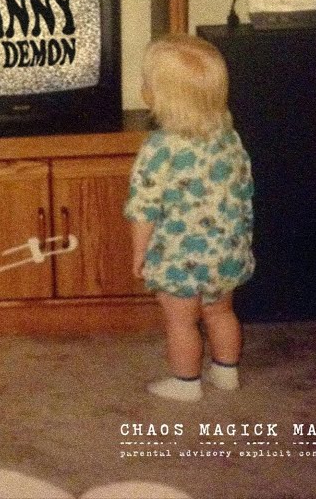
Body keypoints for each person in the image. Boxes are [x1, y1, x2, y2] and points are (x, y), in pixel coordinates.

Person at [124, 34, 256, 401]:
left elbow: (143, 207)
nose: (143, 86)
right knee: (221, 312)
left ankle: (186, 384)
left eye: (147, 81)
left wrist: (139, 253)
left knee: (181, 321)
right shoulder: (229, 138)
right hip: (226, 251)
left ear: (160, 96)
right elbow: (244, 190)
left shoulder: (159, 148)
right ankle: (226, 372)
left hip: (178, 258)